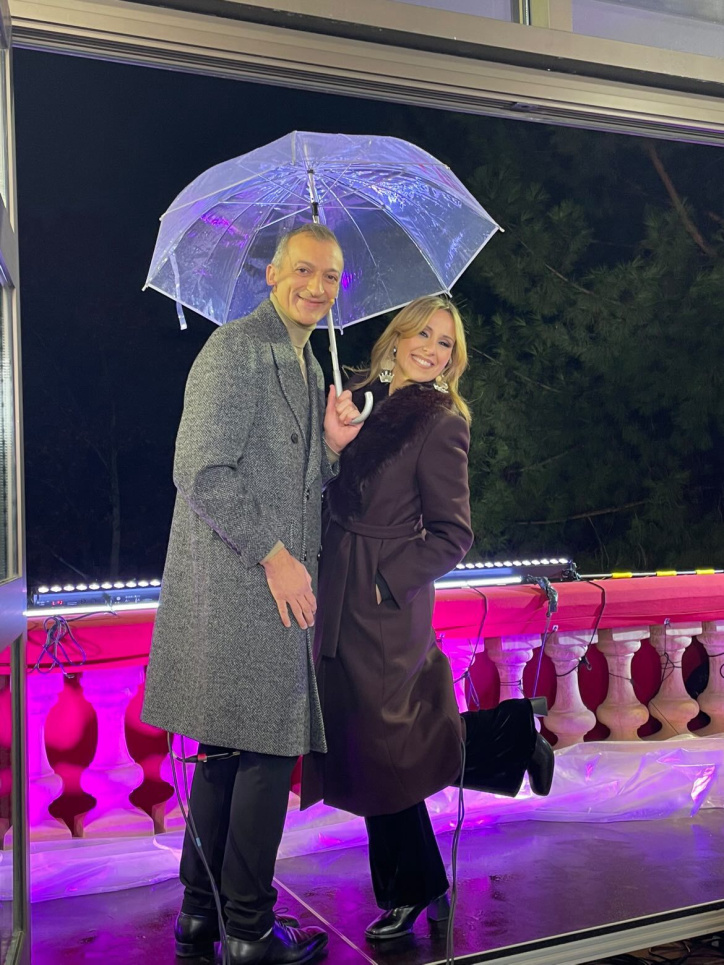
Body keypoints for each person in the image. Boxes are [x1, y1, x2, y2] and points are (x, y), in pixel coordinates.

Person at [301, 294, 554, 942]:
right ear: (396, 337)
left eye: (445, 342)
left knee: (387, 743)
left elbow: (453, 533)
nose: (433, 348)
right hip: (339, 589)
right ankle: (511, 737)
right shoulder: (355, 398)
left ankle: (411, 888)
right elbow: (319, 485)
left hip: (386, 602)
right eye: (424, 334)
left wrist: (387, 580)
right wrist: (330, 444)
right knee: (373, 741)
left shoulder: (441, 422)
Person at [142, 223, 361, 965]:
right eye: (304, 270)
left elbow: (293, 488)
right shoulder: (235, 348)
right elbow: (199, 470)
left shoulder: (300, 366)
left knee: (226, 755)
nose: (317, 287)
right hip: (242, 587)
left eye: (331, 277)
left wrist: (329, 448)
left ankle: (202, 917)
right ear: (272, 274)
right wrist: (276, 557)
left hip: (265, 588)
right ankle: (250, 928)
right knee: (266, 750)